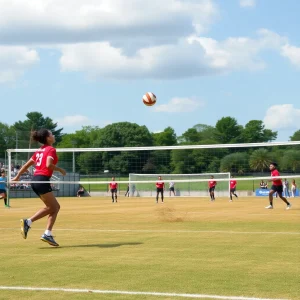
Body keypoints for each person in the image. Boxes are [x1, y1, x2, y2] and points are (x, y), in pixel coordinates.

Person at [11, 129, 66, 247]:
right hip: (42, 180)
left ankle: (47, 233)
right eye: (51, 134)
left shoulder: (39, 151)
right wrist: (60, 170)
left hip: (35, 180)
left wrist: (17, 176)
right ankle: (29, 222)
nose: (53, 135)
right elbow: (49, 165)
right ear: (47, 138)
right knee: (54, 207)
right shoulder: (51, 149)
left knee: (54, 207)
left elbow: (26, 165)